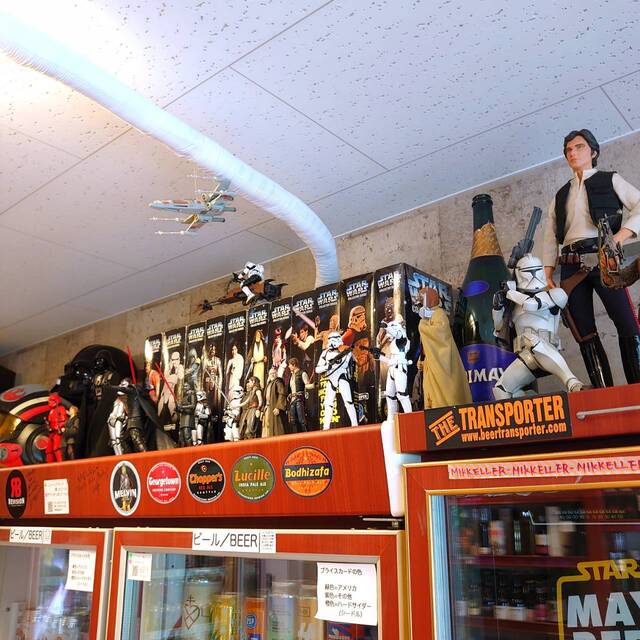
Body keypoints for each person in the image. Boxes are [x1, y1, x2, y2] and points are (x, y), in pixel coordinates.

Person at [543, 129, 640, 387]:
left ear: (593, 152)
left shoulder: (611, 179)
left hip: (604, 259)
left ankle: (637, 389)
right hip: (571, 267)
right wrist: (547, 273)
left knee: (627, 323)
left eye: (579, 147)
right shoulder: (560, 195)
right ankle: (602, 393)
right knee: (584, 333)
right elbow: (549, 235)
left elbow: (639, 204)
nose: (572, 153)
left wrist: (621, 236)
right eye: (568, 150)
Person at [418, 287, 472, 408]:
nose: (420, 305)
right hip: (432, 367)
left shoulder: (439, 314)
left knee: (444, 397)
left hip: (442, 366)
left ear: (430, 300)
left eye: (422, 301)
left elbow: (440, 336)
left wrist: (423, 324)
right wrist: (423, 361)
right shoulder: (431, 317)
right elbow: (427, 346)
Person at [315, 332, 358, 430]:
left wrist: (343, 356)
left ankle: (355, 424)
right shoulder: (325, 353)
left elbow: (350, 363)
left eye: (334, 339)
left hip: (342, 377)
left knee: (348, 402)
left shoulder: (346, 351)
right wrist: (327, 366)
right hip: (331, 379)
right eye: (330, 339)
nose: (331, 341)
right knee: (328, 404)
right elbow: (317, 369)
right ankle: (326, 427)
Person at [262, 367, 288, 437]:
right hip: (268, 408)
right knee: (267, 426)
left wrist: (278, 407)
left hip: (274, 407)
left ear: (277, 374)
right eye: (271, 373)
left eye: (274, 373)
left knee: (277, 428)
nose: (272, 375)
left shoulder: (278, 382)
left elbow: (282, 394)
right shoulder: (269, 384)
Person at [287, 357, 310, 432]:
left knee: (302, 419)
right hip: (292, 400)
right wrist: (289, 395)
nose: (289, 366)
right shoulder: (291, 376)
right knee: (293, 420)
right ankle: (296, 436)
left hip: (299, 399)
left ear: (294, 365)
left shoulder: (302, 373)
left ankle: (307, 435)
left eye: (290, 365)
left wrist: (305, 394)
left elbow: (307, 385)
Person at [203, 344, 223, 417]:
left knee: (215, 401)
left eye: (214, 350)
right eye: (211, 349)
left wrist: (219, 384)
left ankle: (215, 414)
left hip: (215, 382)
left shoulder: (218, 360)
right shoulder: (206, 361)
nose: (212, 351)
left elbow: (220, 374)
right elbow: (203, 374)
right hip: (207, 383)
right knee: (208, 400)